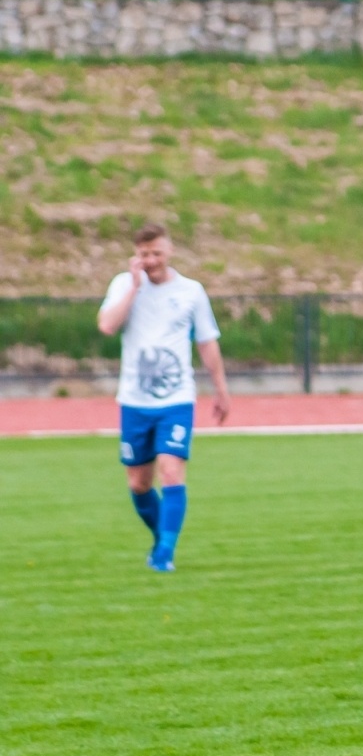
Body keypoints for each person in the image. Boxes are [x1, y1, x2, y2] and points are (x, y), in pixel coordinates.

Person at [96, 223, 230, 572]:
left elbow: (207, 342)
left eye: (156, 253)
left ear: (169, 252)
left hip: (176, 399)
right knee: (139, 483)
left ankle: (165, 553)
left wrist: (221, 390)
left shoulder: (191, 291)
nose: (151, 260)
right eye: (144, 254)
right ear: (135, 256)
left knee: (171, 472)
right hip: (134, 400)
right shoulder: (123, 285)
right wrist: (134, 289)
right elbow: (107, 326)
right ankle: (160, 538)